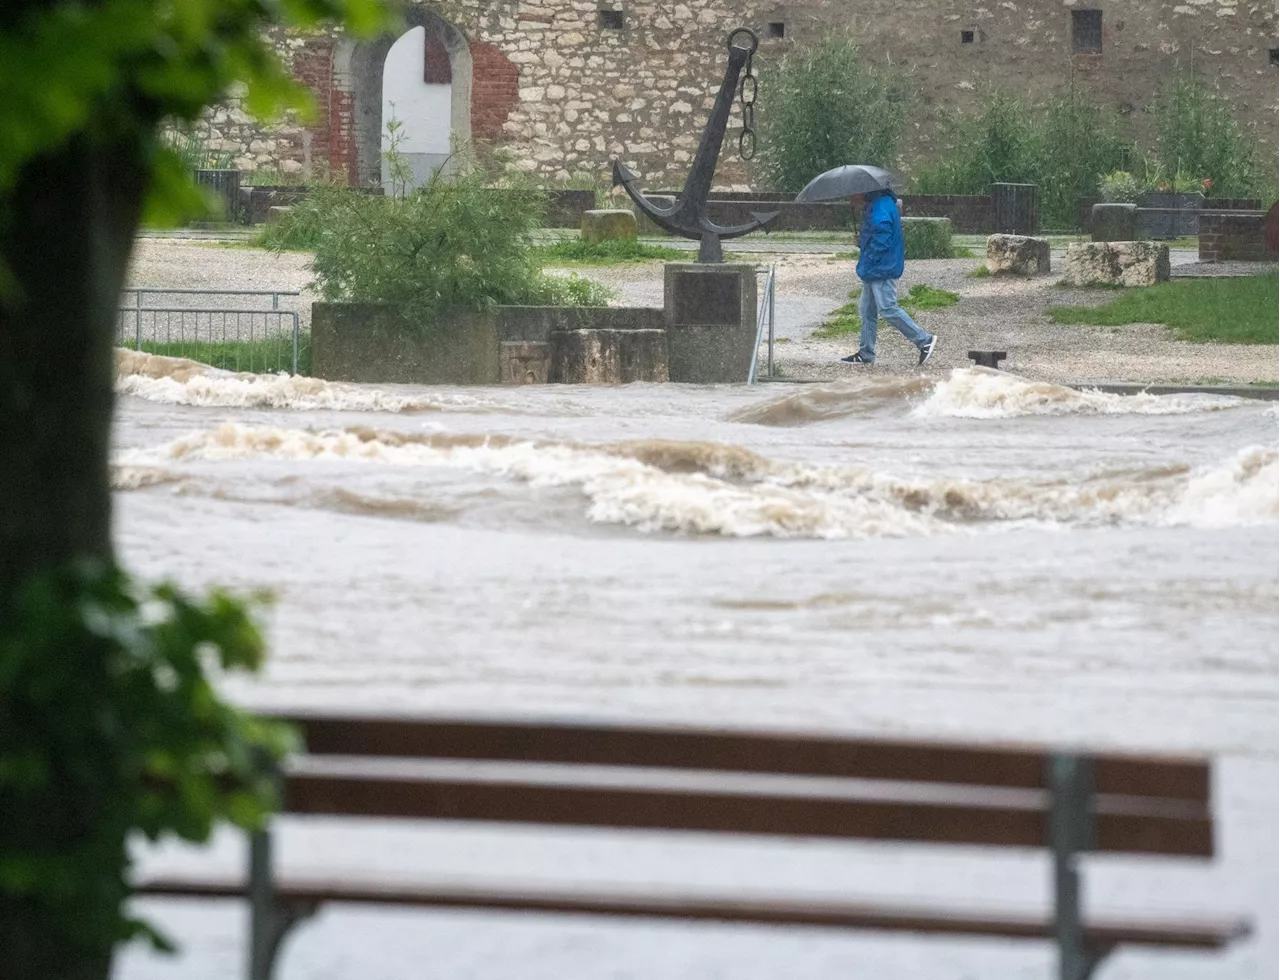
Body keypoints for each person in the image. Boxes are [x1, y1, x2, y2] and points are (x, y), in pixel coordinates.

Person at [841, 188, 937, 366]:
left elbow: (882, 237)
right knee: (867, 310)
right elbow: (878, 234)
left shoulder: (879, 207)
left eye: (851, 193)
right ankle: (866, 353)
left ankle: (924, 340)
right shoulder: (879, 204)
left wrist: (868, 254)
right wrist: (863, 242)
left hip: (882, 268)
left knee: (887, 308)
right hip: (876, 267)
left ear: (862, 191)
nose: (850, 197)